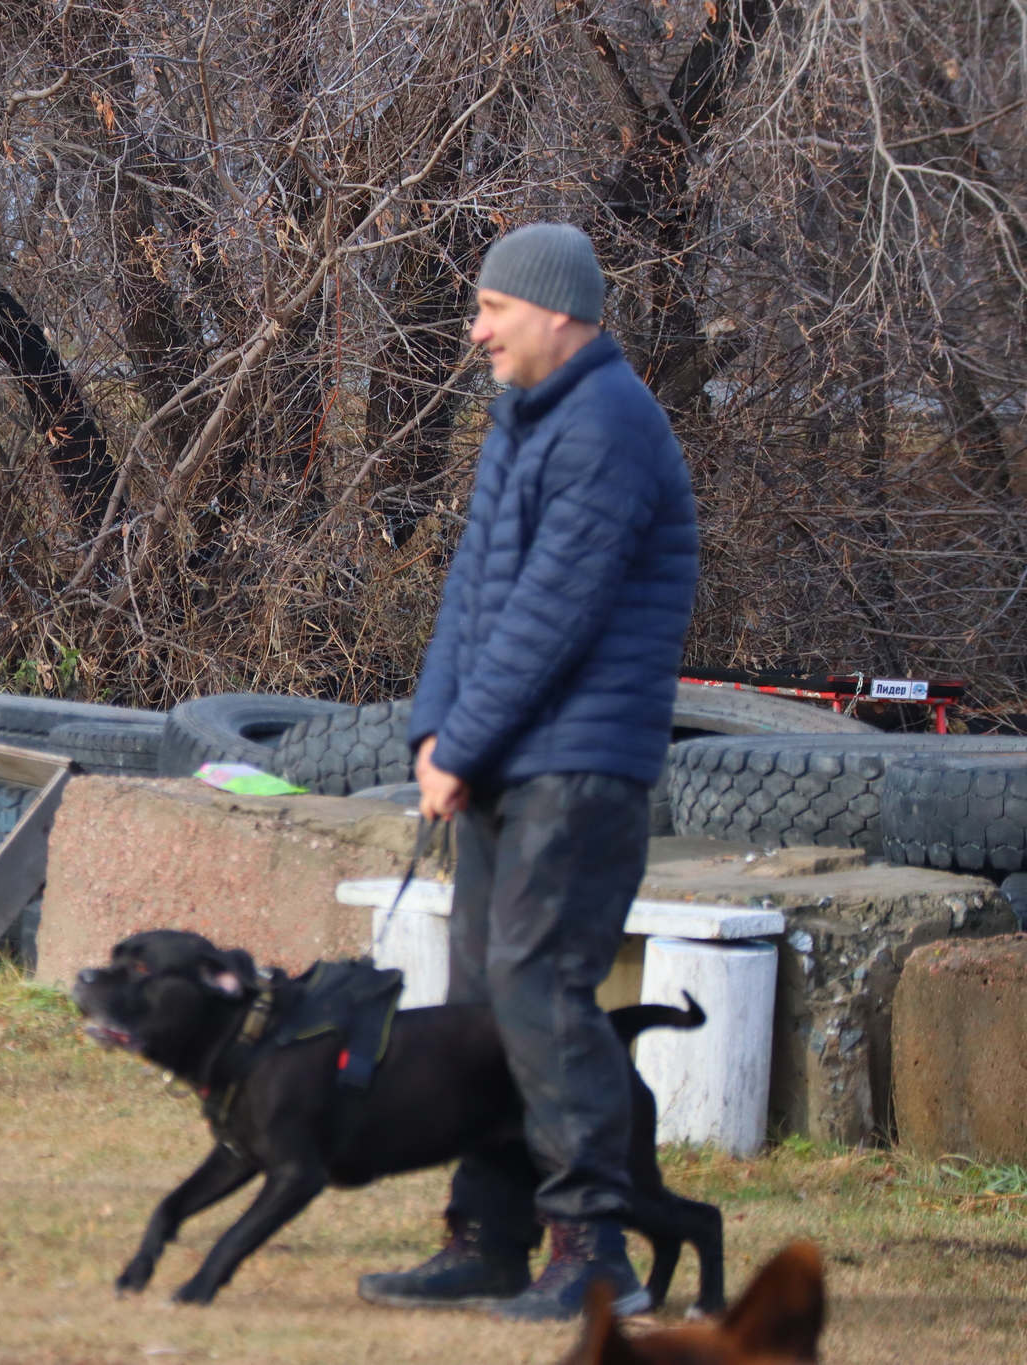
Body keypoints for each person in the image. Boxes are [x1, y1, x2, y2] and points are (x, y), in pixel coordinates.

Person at [357, 224, 699, 1321]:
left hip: (580, 766)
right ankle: (489, 1238)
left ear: (555, 311)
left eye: (491, 309)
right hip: (511, 755)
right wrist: (432, 730)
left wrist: (461, 747)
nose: (475, 331)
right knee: (479, 1006)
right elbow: (471, 593)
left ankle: (591, 1244)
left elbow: (555, 615)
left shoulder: (606, 426)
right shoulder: (523, 417)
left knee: (539, 995)